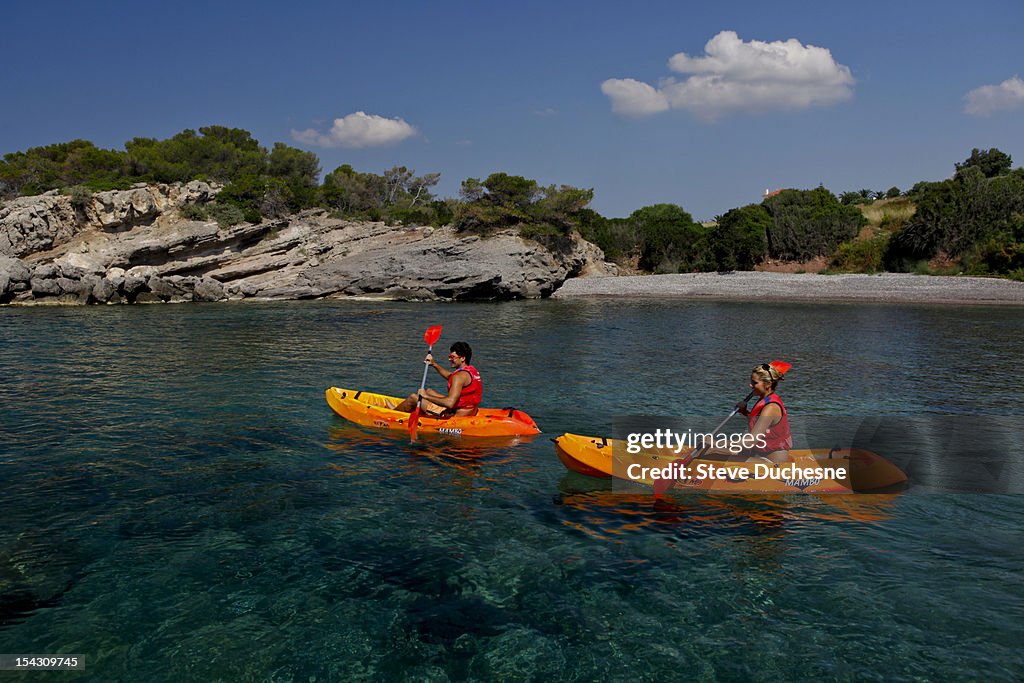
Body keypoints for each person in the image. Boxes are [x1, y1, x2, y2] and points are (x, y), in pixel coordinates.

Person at [389, 341, 482, 417]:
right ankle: (402, 409)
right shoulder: (470, 371)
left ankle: (393, 413)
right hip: (469, 410)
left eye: (452, 357)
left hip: (456, 416)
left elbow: (450, 403)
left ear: (462, 358)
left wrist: (426, 396)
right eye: (449, 357)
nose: (449, 359)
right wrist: (434, 364)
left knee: (414, 398)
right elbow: (450, 377)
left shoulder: (458, 377)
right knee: (429, 390)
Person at [736, 362, 792, 464]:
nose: (750, 385)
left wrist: (716, 443)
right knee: (713, 452)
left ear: (768, 384)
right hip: (759, 454)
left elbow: (750, 441)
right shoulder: (765, 400)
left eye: (755, 383)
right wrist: (745, 412)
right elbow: (762, 423)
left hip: (772, 462)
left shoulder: (771, 407)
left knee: (717, 455)